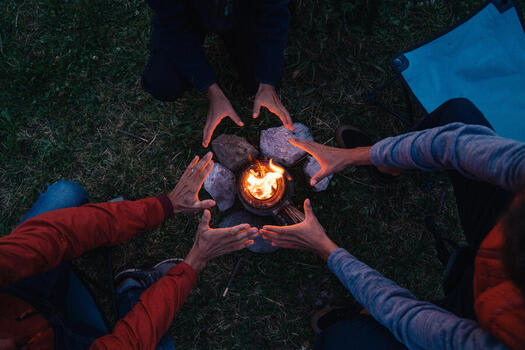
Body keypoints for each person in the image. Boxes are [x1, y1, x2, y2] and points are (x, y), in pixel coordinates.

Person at [261, 98, 525, 349]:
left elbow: (406, 317)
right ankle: (386, 168)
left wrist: (325, 248)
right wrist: (357, 156)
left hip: (486, 325)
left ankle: (365, 317)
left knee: (341, 341)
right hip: (499, 261)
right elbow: (452, 144)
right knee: (458, 114)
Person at [0, 152, 258, 350]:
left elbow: (61, 232)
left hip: (22, 288)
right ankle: (131, 290)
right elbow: (127, 344)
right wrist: (194, 262)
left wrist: (165, 206)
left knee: (66, 195)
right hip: (65, 343)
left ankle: (101, 240)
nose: (7, 344)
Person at [142, 0, 293, 148]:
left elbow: (275, 13)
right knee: (163, 83)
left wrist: (267, 83)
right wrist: (212, 90)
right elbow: (173, 27)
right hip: (187, 13)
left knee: (256, 77)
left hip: (242, 8)